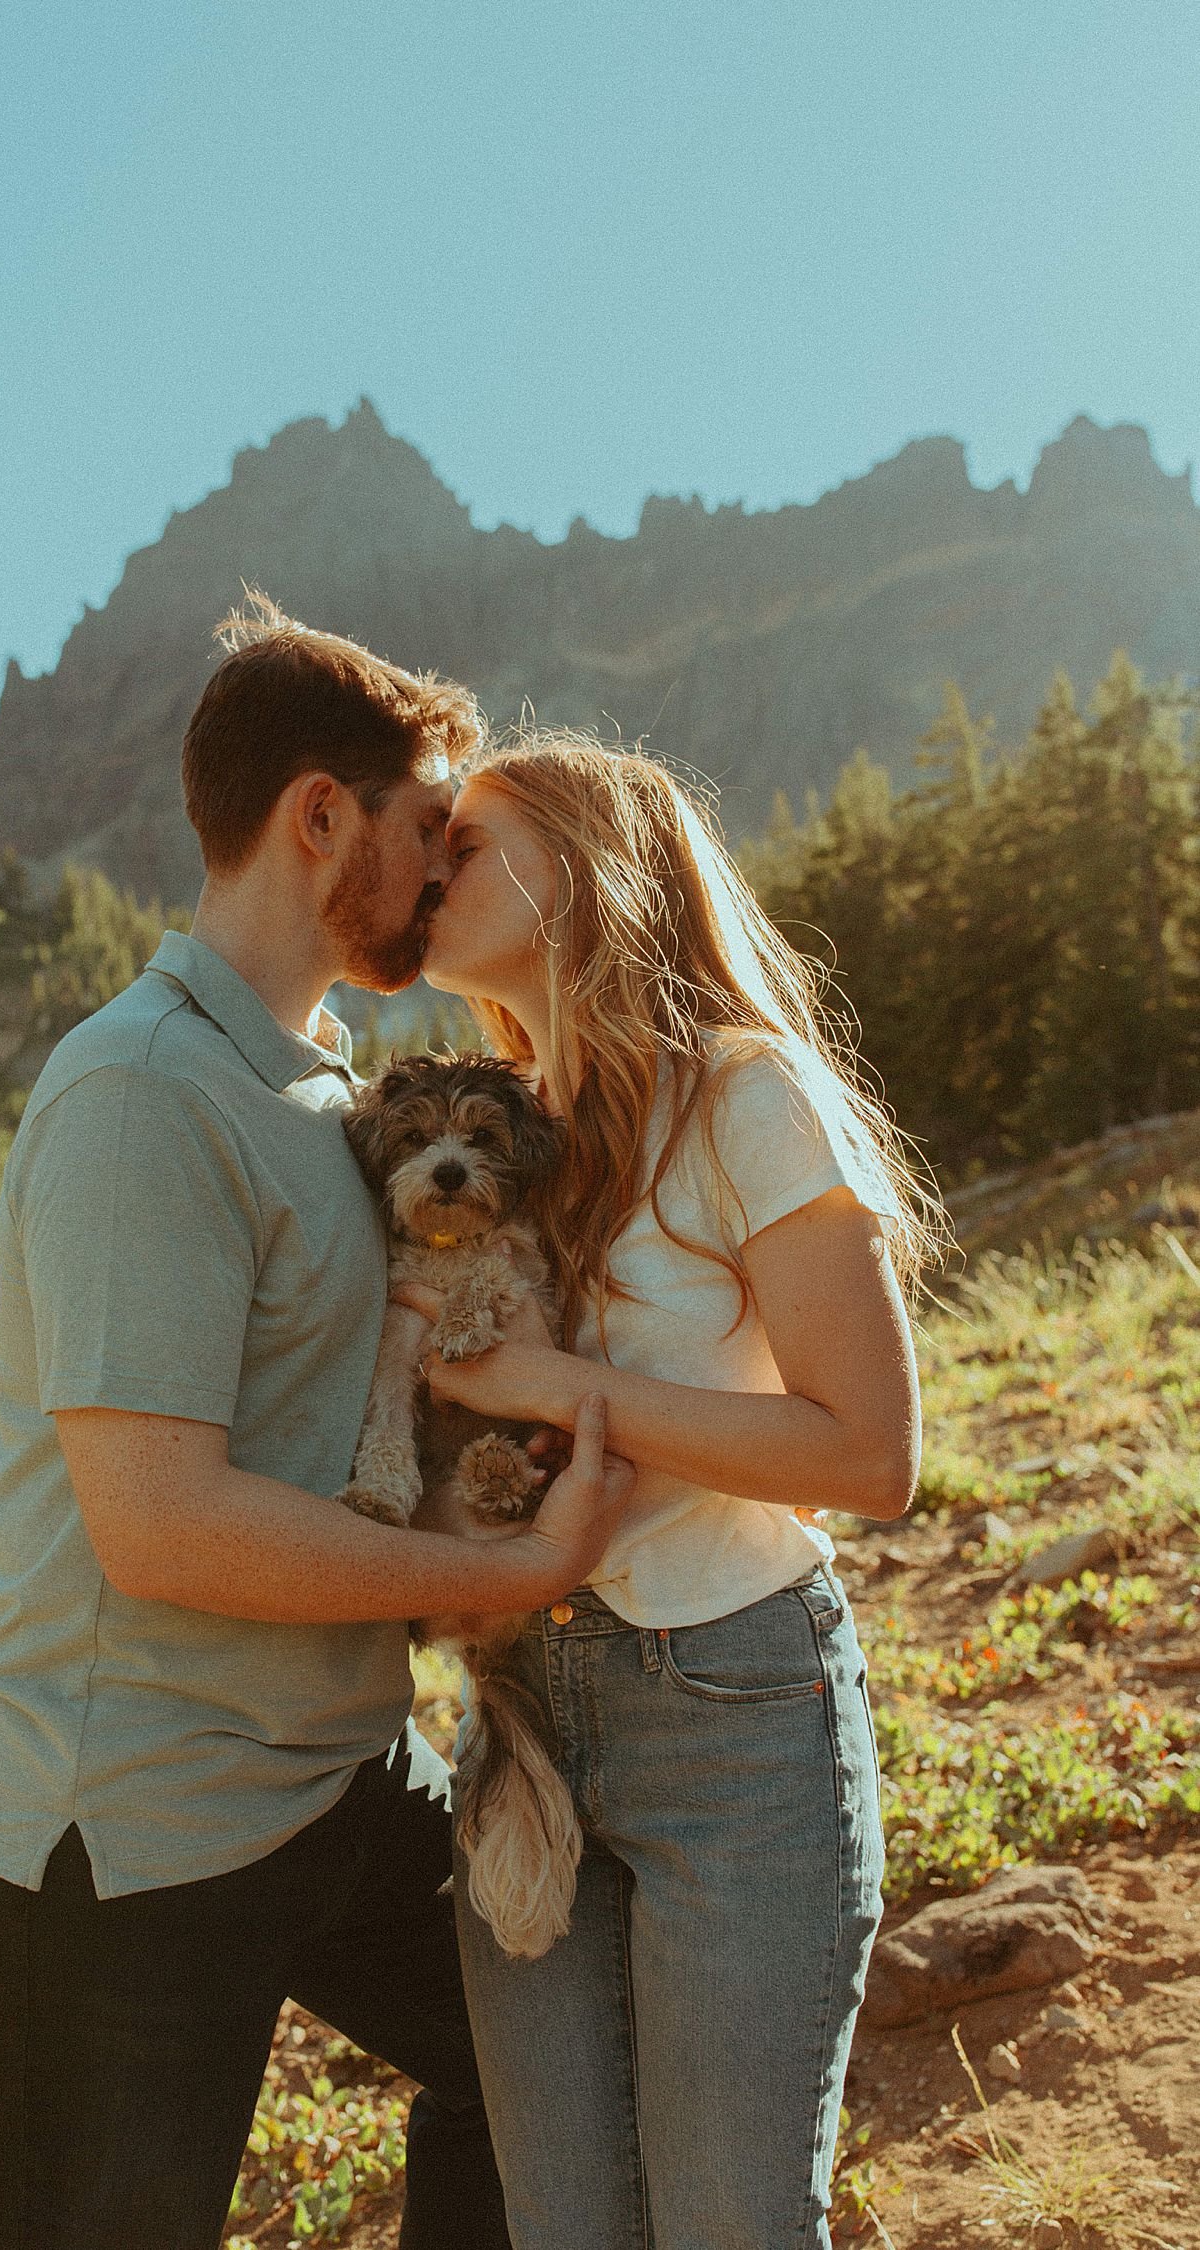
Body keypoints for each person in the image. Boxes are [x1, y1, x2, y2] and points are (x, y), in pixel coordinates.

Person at [0, 600, 634, 2250]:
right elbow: (160, 1522)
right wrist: (525, 1565)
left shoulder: (329, 1090)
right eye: (423, 832)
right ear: (318, 818)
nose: (444, 873)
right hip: (124, 1829)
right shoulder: (139, 1095)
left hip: (326, 1772)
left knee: (539, 2073)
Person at [405, 732, 946, 2250]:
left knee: (727, 2228)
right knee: (567, 2230)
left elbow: (870, 1450)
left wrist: (558, 1390)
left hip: (737, 1706)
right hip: (525, 1713)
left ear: (581, 867)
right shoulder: (494, 1128)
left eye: (469, 841)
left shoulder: (741, 1094)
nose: (428, 868)